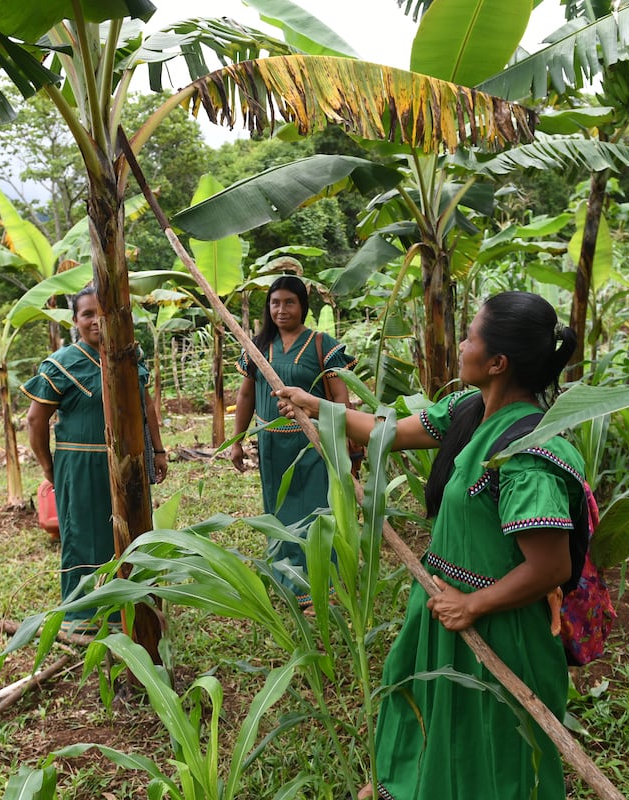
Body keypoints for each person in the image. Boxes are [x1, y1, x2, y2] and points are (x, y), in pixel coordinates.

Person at [276, 291, 584, 800]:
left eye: (470, 337)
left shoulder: (527, 454)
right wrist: (318, 408)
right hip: (443, 606)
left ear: (497, 362)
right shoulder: (470, 409)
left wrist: (473, 603)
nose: (461, 345)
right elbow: (387, 433)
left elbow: (551, 566)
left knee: (494, 742)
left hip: (499, 625)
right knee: (430, 710)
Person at [21, 286, 168, 627]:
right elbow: (35, 420)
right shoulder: (61, 364)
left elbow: (146, 406)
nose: (96, 321)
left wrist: (158, 451)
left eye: (103, 313)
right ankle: (85, 615)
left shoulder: (131, 354)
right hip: (82, 465)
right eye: (87, 314)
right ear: (75, 321)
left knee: (132, 533)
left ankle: (134, 605)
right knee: (85, 538)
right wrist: (49, 467)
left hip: (129, 462)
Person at [229, 275, 358, 607]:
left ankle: (321, 583)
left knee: (316, 511)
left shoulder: (322, 344)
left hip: (313, 444)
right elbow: (245, 396)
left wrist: (343, 438)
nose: (281, 309)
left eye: (289, 302)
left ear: (303, 306)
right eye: (275, 303)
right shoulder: (257, 347)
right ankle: (286, 580)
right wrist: (236, 440)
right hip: (271, 446)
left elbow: (340, 396)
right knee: (279, 511)